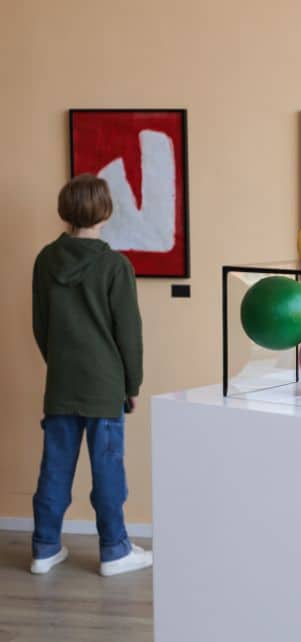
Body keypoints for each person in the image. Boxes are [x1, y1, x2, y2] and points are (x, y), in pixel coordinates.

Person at [30, 173, 153, 577]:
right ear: (105, 211)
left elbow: (41, 325)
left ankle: (45, 548)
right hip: (105, 386)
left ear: (65, 210)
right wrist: (131, 384)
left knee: (55, 467)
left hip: (62, 384)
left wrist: (61, 363)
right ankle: (114, 550)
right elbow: (128, 333)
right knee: (107, 470)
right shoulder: (115, 265)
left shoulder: (46, 260)